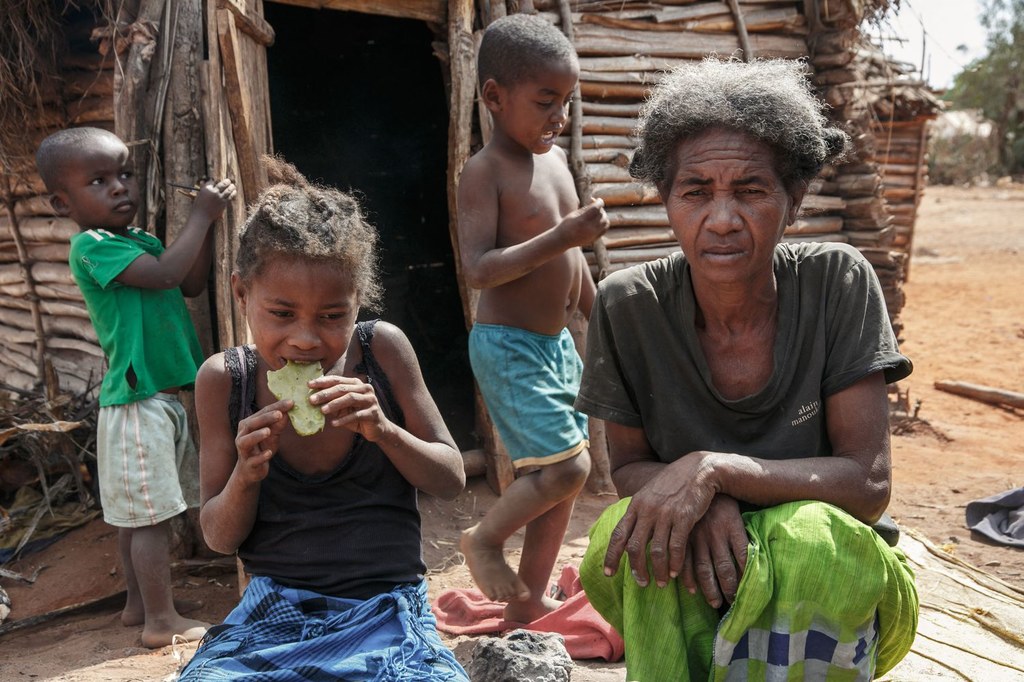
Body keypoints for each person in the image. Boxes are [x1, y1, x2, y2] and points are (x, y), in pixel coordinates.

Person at [574, 58, 919, 681]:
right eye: (696, 191)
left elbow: (867, 485)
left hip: (831, 578)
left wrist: (719, 473)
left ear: (795, 199)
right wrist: (704, 502)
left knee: (808, 540)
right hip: (696, 563)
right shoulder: (627, 304)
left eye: (752, 190)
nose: (723, 218)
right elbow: (627, 469)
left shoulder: (837, 281)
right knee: (628, 538)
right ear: (666, 199)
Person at [179, 157, 469, 680]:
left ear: (359, 303)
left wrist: (385, 432)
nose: (307, 338)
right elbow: (219, 536)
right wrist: (246, 475)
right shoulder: (226, 381)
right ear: (242, 293)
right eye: (282, 313)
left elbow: (451, 478)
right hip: (273, 609)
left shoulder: (382, 351)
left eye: (333, 315)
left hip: (388, 608)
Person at [35, 126, 235, 648]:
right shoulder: (91, 246)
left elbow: (189, 281)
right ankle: (160, 623)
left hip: (160, 396)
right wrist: (202, 215)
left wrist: (207, 229)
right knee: (149, 518)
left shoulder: (137, 241)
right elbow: (170, 273)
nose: (120, 187)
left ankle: (137, 605)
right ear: (62, 203)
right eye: (98, 181)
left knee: (137, 515)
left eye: (124, 174)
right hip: (134, 400)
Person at [455, 12, 610, 624]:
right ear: (495, 96)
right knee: (569, 466)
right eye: (546, 101)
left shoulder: (555, 165)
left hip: (554, 346)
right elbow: (479, 269)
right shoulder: (484, 172)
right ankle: (483, 539)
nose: (560, 118)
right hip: (508, 345)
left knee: (565, 479)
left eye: (567, 102)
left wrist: (607, 317)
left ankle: (526, 603)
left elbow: (573, 259)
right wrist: (563, 233)